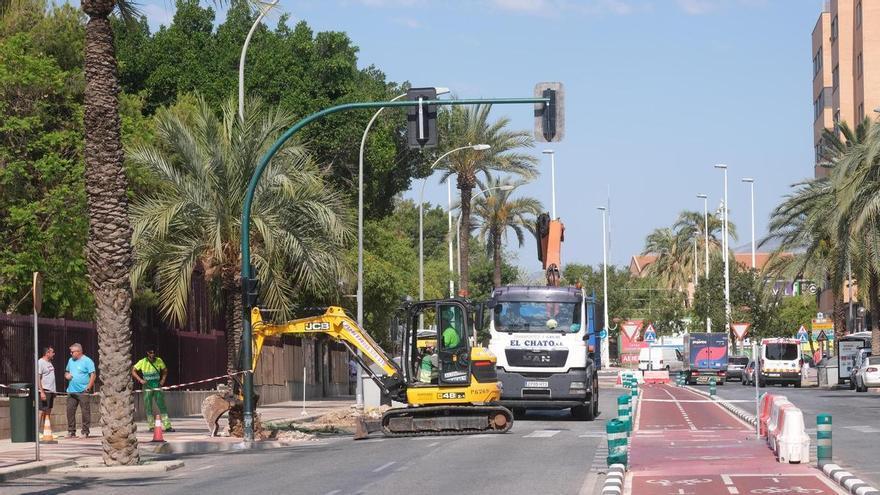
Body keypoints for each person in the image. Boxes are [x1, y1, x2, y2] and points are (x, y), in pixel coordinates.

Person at [132, 348, 173, 432]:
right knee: (148, 406)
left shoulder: (159, 360)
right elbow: (133, 370)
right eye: (151, 352)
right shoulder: (142, 362)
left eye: (154, 352)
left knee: (162, 405)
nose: (152, 354)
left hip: (156, 384)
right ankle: (151, 426)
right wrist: (140, 380)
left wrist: (163, 380)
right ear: (147, 353)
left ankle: (167, 425)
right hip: (147, 385)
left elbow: (165, 370)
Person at [65, 343, 95, 438]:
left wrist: (88, 387)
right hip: (71, 391)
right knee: (70, 411)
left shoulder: (88, 361)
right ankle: (71, 431)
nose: (71, 353)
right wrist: (67, 376)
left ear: (79, 352)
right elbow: (66, 371)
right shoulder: (70, 360)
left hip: (83, 391)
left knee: (85, 412)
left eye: (72, 352)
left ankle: (85, 431)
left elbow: (93, 375)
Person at [37, 346, 56, 433]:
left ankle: (46, 432)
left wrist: (54, 391)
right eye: (52, 352)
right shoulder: (40, 362)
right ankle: (37, 432)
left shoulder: (49, 362)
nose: (54, 354)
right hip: (45, 390)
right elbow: (38, 378)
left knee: (48, 411)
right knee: (41, 411)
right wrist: (42, 392)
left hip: (51, 391)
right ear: (47, 353)